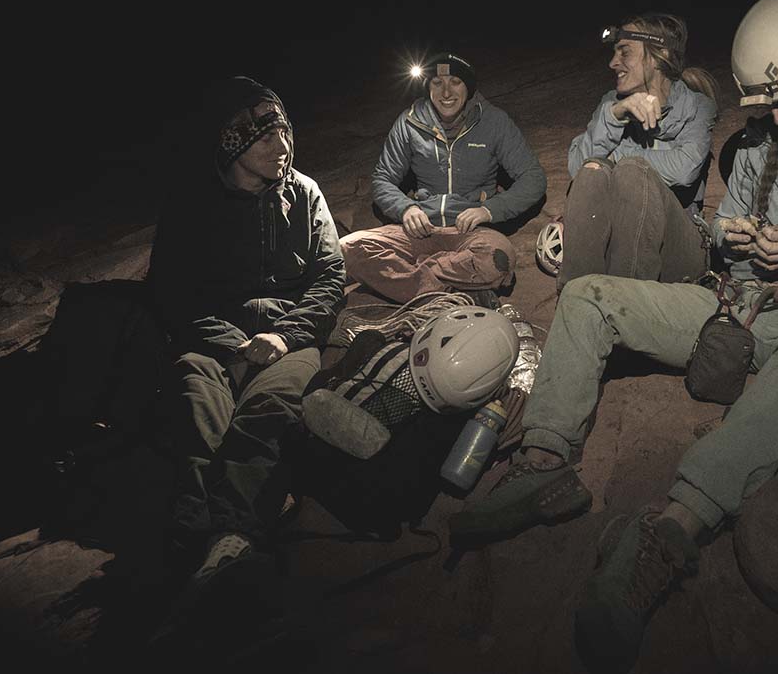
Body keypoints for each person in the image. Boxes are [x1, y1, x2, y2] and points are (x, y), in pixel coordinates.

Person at [449, 0, 778, 672]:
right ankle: (545, 463)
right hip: (741, 304)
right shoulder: (757, 143)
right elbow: (722, 228)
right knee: (591, 296)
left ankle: (670, 529)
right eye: (766, 103)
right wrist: (736, 232)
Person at [148, 76, 345, 609]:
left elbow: (329, 278)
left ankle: (232, 536)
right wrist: (234, 346)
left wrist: (284, 336)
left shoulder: (305, 193)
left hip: (288, 333)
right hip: (214, 334)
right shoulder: (194, 203)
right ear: (233, 142)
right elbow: (170, 292)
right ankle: (191, 528)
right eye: (266, 139)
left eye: (284, 134)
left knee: (269, 406)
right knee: (196, 395)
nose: (282, 148)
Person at [339, 52, 546, 303]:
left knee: (497, 258)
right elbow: (383, 178)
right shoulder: (409, 122)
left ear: (468, 87)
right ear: (428, 88)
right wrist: (406, 208)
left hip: (470, 231)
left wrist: (489, 210)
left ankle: (411, 284)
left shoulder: (493, 122)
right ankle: (448, 292)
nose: (446, 92)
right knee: (346, 248)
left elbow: (533, 177)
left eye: (455, 82)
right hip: (420, 229)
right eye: (437, 83)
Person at [555, 13, 719, 293]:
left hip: (679, 244)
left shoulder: (698, 107)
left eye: (625, 52)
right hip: (621, 237)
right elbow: (578, 170)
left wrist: (617, 157)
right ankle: (575, 299)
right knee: (593, 172)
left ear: (658, 56)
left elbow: (683, 170)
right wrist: (614, 116)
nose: (613, 62)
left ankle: (624, 304)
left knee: (632, 172)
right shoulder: (611, 103)